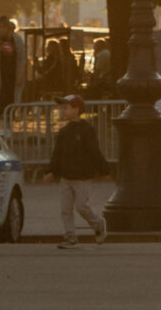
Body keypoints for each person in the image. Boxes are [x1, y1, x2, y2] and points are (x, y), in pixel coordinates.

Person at [47, 94, 109, 248]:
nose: (62, 111)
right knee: (65, 209)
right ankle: (70, 237)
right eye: (61, 108)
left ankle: (99, 225)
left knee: (81, 206)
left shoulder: (86, 130)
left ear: (77, 110)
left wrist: (104, 169)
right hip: (66, 177)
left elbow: (94, 151)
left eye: (66, 108)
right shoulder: (63, 132)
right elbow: (57, 154)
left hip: (82, 176)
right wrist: (51, 171)